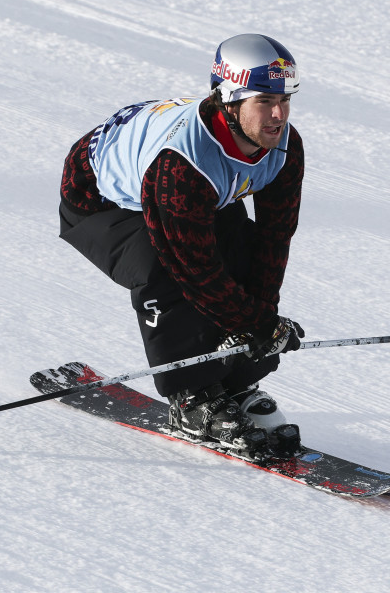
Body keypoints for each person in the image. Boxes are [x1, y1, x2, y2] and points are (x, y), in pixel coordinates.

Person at [58, 33, 307, 460]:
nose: (278, 114)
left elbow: (274, 236)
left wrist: (262, 320)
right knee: (166, 268)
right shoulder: (181, 164)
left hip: (186, 196)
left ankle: (235, 385)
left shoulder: (284, 145)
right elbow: (191, 266)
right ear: (230, 100)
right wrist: (253, 321)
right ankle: (191, 397)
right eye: (264, 101)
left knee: (242, 248)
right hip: (99, 203)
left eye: (285, 100)